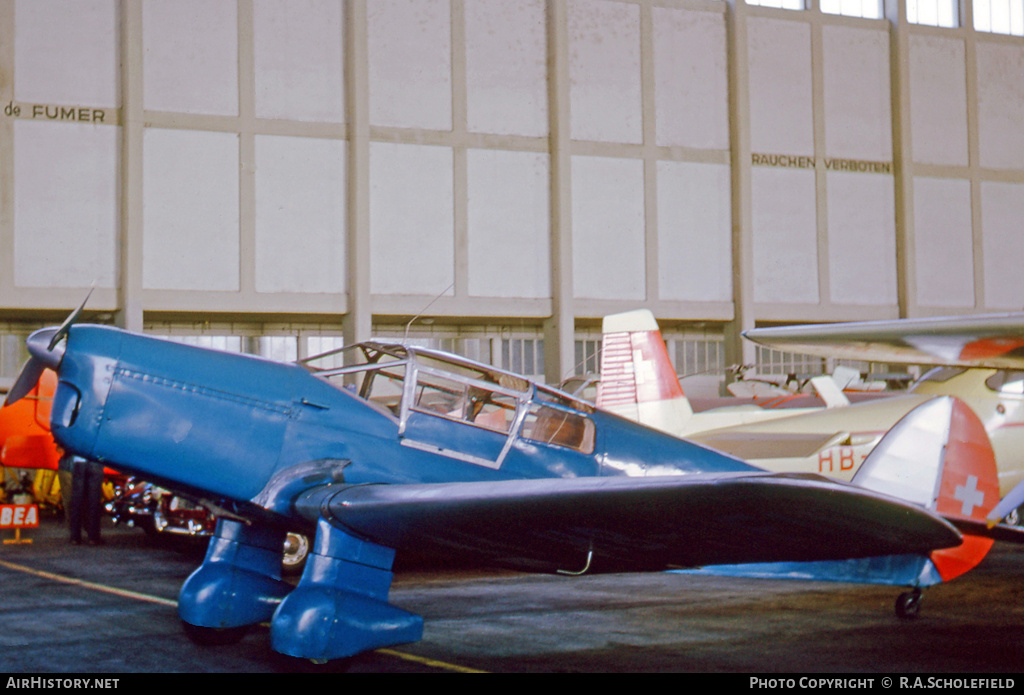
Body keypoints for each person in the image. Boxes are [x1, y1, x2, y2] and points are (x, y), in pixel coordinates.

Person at [62, 453, 105, 545]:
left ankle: (75, 537)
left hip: (79, 461)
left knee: (77, 500)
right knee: (94, 500)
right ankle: (93, 537)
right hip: (95, 460)